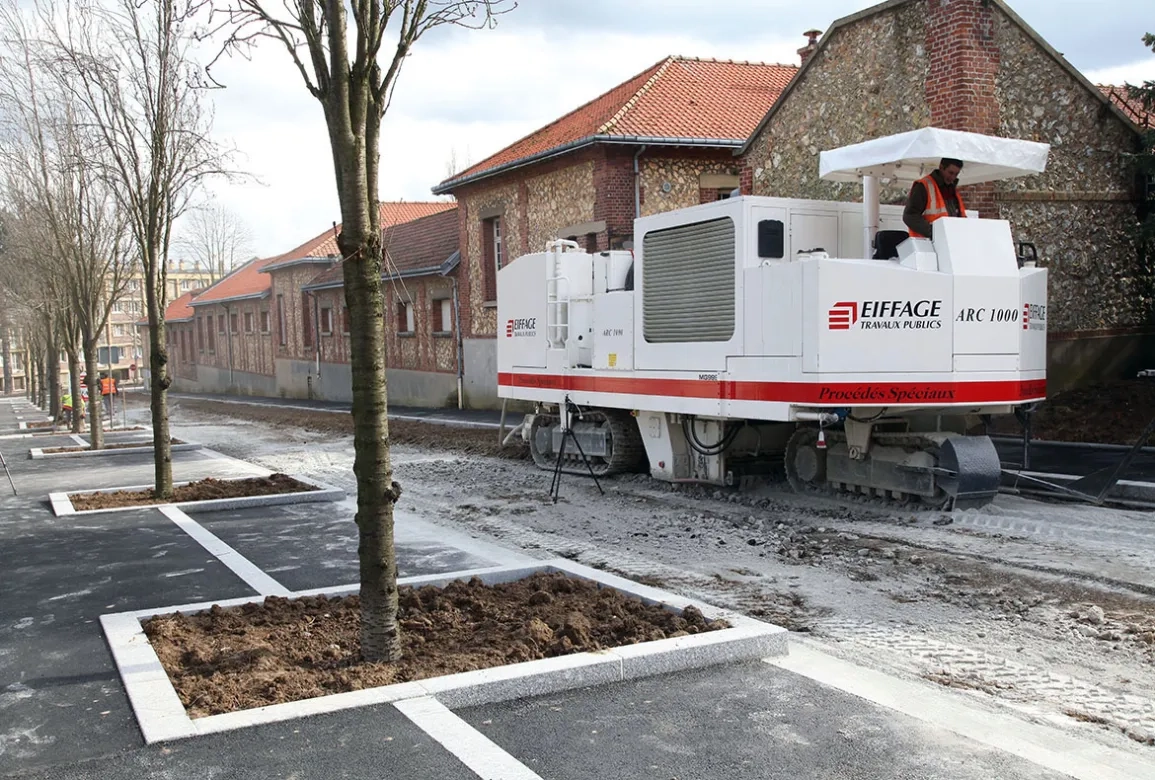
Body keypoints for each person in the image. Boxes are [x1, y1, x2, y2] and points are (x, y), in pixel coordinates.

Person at [903, 157, 966, 239]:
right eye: (950, 173)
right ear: (941, 167)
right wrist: (933, 232)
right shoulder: (923, 186)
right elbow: (909, 216)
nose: (953, 177)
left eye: (956, 174)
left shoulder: (952, 190)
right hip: (926, 243)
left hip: (949, 240)